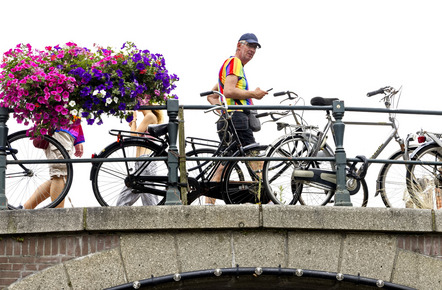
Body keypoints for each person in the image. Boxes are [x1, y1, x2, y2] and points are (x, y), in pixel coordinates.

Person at [206, 33, 268, 204]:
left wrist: (224, 112)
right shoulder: (235, 63)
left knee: (224, 163)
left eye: (255, 47)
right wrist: (253, 94)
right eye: (250, 46)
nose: (253, 50)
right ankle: (268, 200)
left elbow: (212, 95)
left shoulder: (228, 64)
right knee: (255, 157)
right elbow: (228, 91)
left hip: (230, 120)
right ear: (239, 45)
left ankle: (208, 205)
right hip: (238, 119)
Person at [23, 120, 85, 209]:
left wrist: (77, 139)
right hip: (60, 127)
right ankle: (58, 215)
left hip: (64, 128)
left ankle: (26, 208)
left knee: (60, 175)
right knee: (59, 174)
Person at [116, 107, 163, 206]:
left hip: (145, 161)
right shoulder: (148, 117)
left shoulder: (150, 116)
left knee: (150, 201)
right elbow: (135, 138)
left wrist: (134, 120)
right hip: (141, 163)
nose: (137, 102)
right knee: (123, 201)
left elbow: (133, 137)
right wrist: (133, 122)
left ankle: (156, 219)